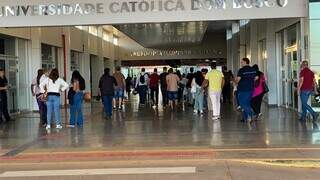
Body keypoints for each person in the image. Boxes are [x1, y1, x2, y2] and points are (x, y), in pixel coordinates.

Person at [236, 58, 257, 123]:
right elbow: (256, 78)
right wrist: (250, 82)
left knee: (242, 104)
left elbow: (238, 79)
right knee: (247, 103)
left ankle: (253, 114)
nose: (241, 63)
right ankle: (246, 118)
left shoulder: (241, 70)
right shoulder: (253, 69)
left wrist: (235, 81)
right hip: (251, 88)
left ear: (245, 62)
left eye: (242, 62)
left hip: (243, 89)